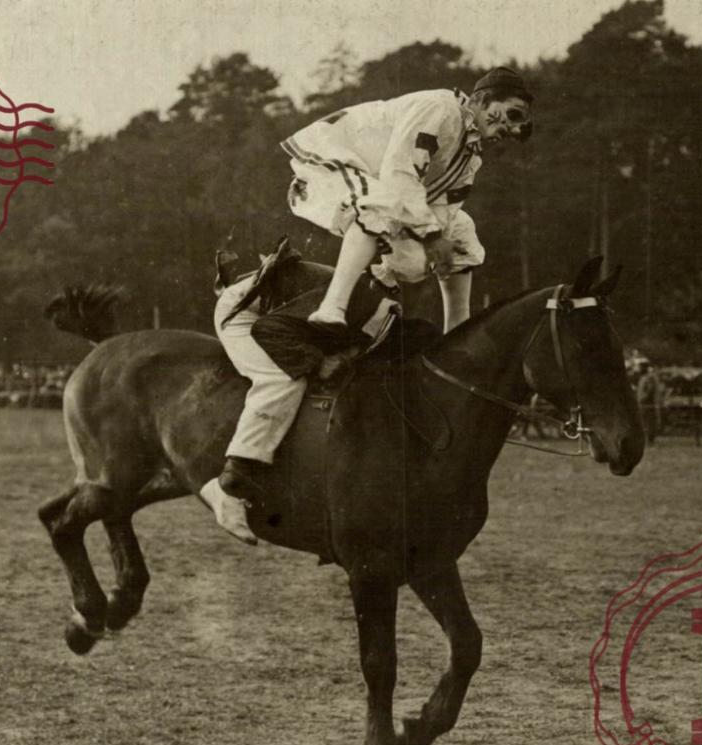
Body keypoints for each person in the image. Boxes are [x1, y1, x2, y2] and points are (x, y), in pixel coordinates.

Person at [199, 68, 535, 543]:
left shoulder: (469, 158)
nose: (511, 130)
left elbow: (439, 218)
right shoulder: (440, 108)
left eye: (520, 126)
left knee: (460, 232)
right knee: (377, 209)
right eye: (510, 115)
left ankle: (457, 326)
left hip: (367, 202)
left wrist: (432, 244)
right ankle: (229, 485)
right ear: (483, 99)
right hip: (321, 173)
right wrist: (426, 239)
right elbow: (399, 177)